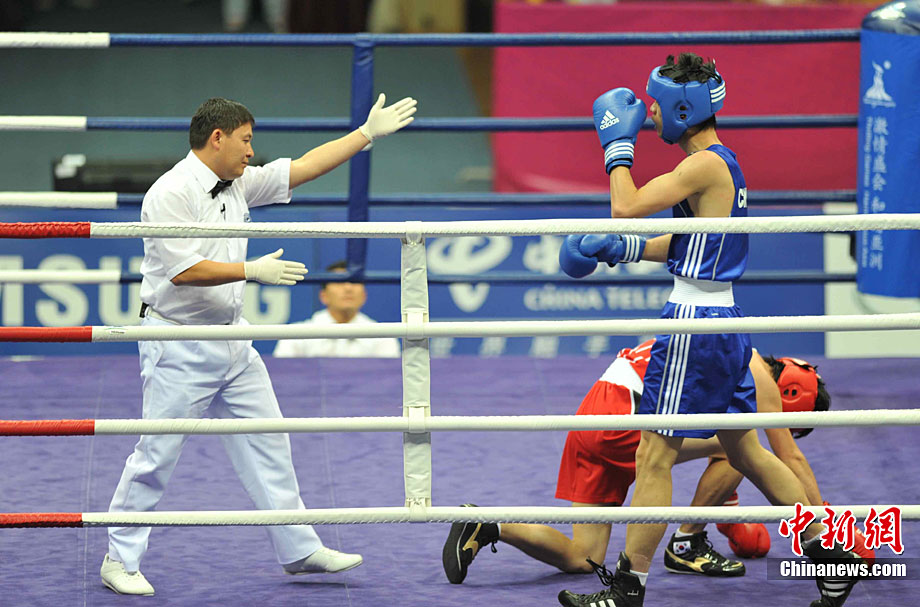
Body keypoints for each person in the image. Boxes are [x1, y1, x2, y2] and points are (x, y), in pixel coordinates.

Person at [549, 53, 862, 607]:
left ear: (683, 110)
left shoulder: (701, 167)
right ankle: (833, 558)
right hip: (724, 323)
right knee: (746, 453)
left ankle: (627, 589)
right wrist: (622, 251)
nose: (648, 112)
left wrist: (616, 146)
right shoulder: (723, 165)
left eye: (656, 103)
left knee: (653, 456)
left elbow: (625, 205)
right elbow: (688, 243)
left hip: (694, 327)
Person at [101, 93, 417, 596]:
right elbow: (183, 271)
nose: (252, 151)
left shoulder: (240, 182)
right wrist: (251, 269)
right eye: (246, 140)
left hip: (234, 338)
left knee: (270, 440)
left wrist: (365, 134)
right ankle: (118, 558)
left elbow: (305, 167)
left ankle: (298, 548)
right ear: (218, 138)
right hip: (178, 343)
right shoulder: (170, 192)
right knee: (156, 454)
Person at [442, 341, 872, 583]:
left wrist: (727, 510)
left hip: (593, 418)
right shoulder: (757, 375)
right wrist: (835, 532)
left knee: (583, 557)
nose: (787, 430)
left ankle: (488, 524)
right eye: (792, 424)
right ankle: (687, 542)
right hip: (622, 420)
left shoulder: (727, 349)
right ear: (791, 395)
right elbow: (788, 458)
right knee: (744, 449)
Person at [273, 260, 400, 358]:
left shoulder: (383, 339)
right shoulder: (295, 337)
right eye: (339, 282)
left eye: (354, 282)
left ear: (364, 296)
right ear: (323, 296)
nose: (348, 288)